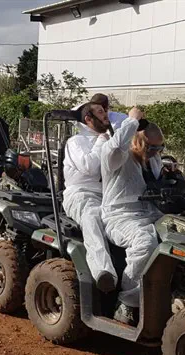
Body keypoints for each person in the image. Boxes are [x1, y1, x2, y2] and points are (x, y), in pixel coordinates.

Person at [100, 107, 162, 324]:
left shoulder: (152, 160)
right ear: (136, 141)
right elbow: (115, 145)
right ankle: (126, 302)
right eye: (152, 147)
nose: (156, 151)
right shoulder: (118, 157)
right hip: (120, 216)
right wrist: (132, 120)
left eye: (160, 147)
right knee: (145, 242)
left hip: (149, 214)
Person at [62, 101, 118, 293]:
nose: (106, 116)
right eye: (101, 112)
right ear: (88, 119)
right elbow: (91, 168)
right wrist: (103, 140)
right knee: (92, 215)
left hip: (108, 196)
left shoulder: (111, 139)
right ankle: (103, 272)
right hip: (80, 195)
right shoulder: (76, 142)